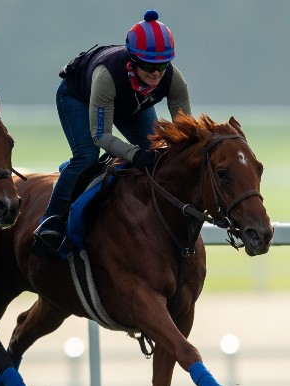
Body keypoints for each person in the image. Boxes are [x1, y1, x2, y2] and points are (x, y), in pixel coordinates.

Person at [33, 10, 192, 258]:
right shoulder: (107, 76)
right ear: (133, 59)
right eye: (149, 65)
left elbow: (185, 131)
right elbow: (101, 136)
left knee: (156, 151)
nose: (156, 74)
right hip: (79, 97)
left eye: (162, 65)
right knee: (87, 155)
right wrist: (134, 155)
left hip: (129, 103)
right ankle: (51, 221)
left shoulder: (174, 79)